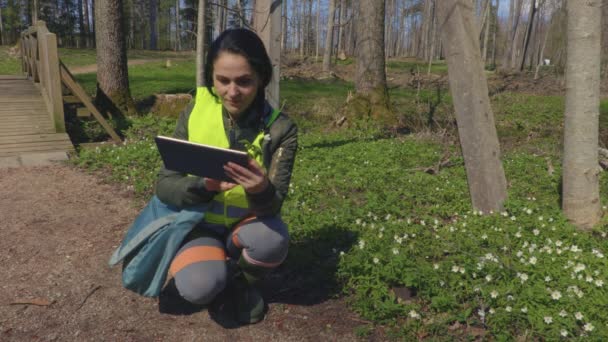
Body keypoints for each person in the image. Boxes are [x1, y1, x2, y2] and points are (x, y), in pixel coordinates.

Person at [154, 28, 298, 324]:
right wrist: (203, 186)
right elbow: (164, 185)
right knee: (199, 288)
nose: (233, 92)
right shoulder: (195, 110)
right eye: (223, 80)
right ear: (212, 78)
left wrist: (261, 190)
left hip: (243, 226)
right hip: (197, 224)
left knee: (274, 240)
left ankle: (237, 280)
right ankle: (208, 268)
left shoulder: (281, 129)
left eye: (244, 81)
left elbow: (273, 207)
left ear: (261, 78)